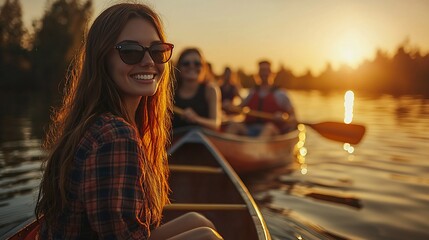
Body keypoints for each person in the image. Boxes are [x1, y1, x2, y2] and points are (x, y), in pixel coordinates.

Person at [35, 3, 222, 239]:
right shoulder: (115, 136)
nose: (148, 61)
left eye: (157, 50)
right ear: (103, 58)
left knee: (199, 220)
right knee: (207, 237)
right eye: (130, 51)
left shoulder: (99, 122)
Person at [224, 60, 297, 138]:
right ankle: (224, 148)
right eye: (261, 71)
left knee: (269, 127)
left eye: (266, 70)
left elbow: (294, 117)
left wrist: (284, 117)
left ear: (271, 73)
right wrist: (229, 107)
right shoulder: (252, 93)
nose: (264, 73)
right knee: (233, 125)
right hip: (250, 129)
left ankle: (256, 148)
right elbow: (238, 109)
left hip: (272, 132)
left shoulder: (281, 94)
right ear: (258, 74)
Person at [172, 48, 221, 131]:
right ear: (179, 67)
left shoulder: (210, 90)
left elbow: (215, 124)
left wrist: (196, 119)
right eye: (186, 64)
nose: (192, 66)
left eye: (197, 64)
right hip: (175, 141)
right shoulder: (169, 90)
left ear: (203, 67)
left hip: (202, 140)